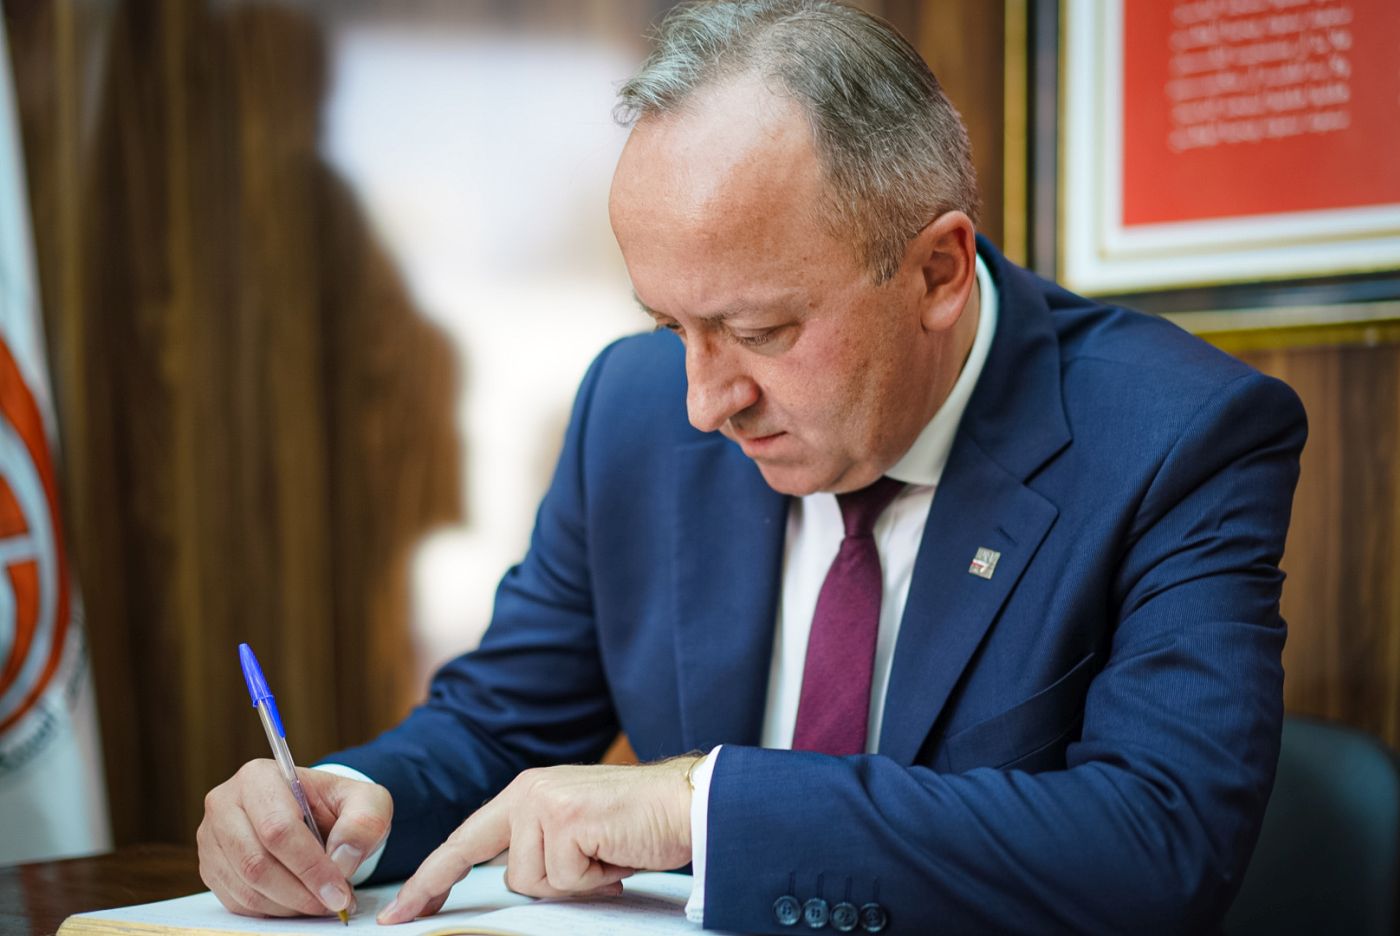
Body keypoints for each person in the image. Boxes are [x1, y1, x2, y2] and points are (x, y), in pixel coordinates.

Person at [196, 1, 1307, 932]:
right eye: (669, 325)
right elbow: (499, 728)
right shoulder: (633, 412)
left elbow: (1160, 847)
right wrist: (345, 800)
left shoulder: (1177, 436)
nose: (703, 401)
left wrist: (699, 805)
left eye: (759, 331)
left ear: (937, 272)